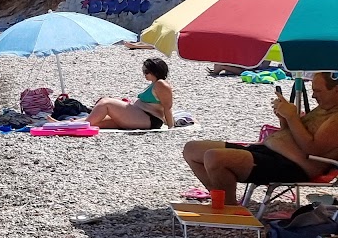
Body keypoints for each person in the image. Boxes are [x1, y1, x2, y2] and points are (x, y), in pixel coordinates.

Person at [183, 71, 338, 205]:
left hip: (291, 166)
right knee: (192, 149)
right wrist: (284, 118)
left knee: (214, 157)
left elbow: (312, 150)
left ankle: (228, 208)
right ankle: (219, 197)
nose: (313, 95)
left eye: (318, 91)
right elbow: (292, 135)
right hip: (269, 153)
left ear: (336, 90)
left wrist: (292, 117)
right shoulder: (324, 108)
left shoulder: (335, 119)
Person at [88, 57, 175, 129]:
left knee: (105, 102)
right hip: (139, 115)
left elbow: (167, 107)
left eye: (147, 71)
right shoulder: (154, 84)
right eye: (144, 71)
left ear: (155, 71)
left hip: (149, 118)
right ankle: (77, 123)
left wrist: (171, 127)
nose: (144, 74)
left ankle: (82, 124)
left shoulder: (161, 84)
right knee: (97, 121)